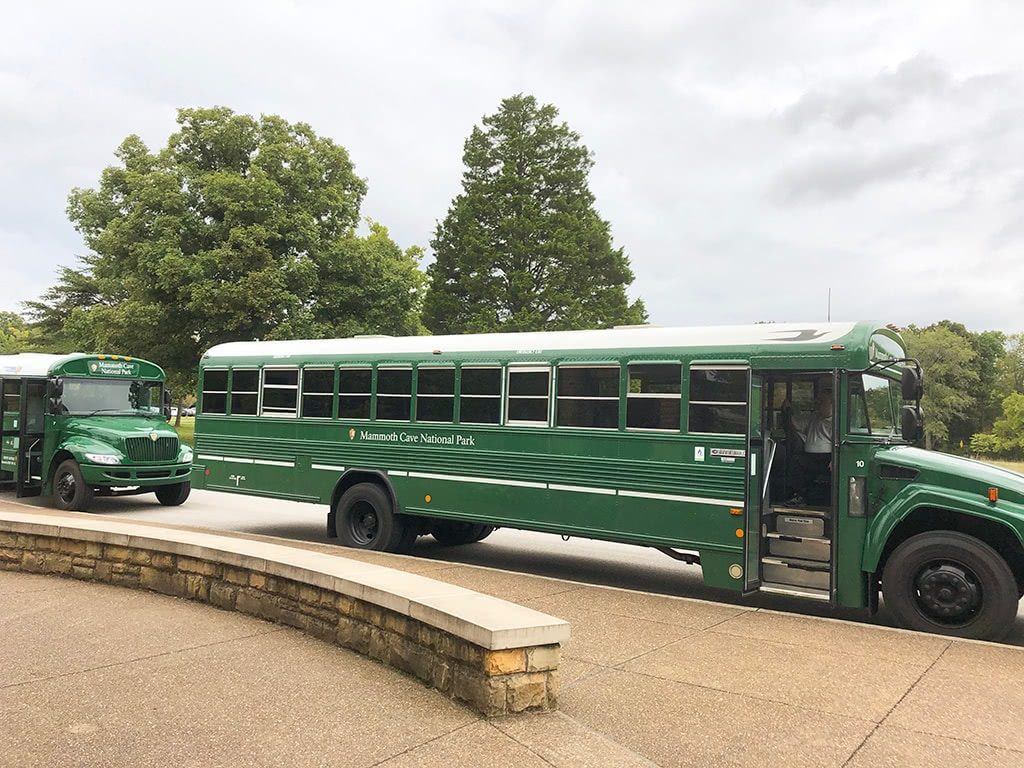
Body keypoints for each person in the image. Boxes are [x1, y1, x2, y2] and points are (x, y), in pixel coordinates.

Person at [783, 389, 833, 506]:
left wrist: (834, 459)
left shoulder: (836, 421)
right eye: (818, 401)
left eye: (822, 401)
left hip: (827, 458)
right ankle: (799, 495)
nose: (818, 404)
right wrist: (789, 411)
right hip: (810, 455)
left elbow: (839, 443)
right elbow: (798, 426)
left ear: (832, 402)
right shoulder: (814, 416)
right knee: (794, 461)